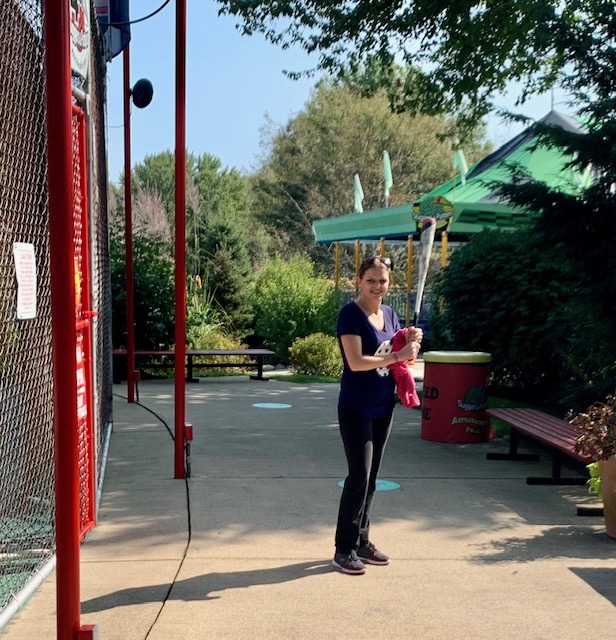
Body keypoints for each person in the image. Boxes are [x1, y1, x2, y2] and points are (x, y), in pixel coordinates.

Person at [333, 256, 422, 575]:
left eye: (382, 281)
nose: (377, 286)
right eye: (370, 280)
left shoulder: (390, 314)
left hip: (384, 405)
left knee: (371, 479)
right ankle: (343, 549)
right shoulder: (350, 315)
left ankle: (362, 541)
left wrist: (410, 342)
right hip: (356, 406)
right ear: (359, 281)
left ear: (389, 283)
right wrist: (399, 354)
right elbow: (356, 362)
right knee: (358, 476)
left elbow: (398, 355)